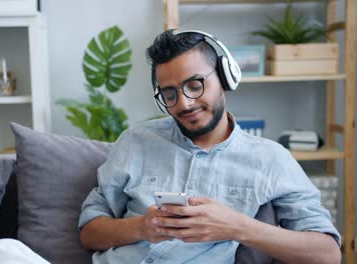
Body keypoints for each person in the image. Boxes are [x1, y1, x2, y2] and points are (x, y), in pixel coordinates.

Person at [78, 29, 342, 263]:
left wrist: (236, 227)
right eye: (170, 94)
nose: (184, 104)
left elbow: (327, 254)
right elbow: (90, 232)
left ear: (225, 79)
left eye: (195, 85)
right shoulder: (136, 140)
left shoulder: (270, 159)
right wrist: (141, 227)